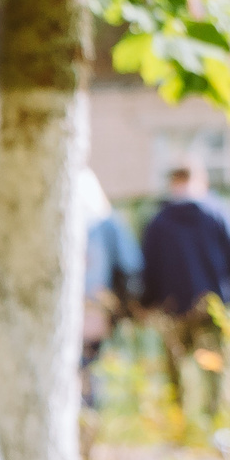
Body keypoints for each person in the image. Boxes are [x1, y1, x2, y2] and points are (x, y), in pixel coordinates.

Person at [140, 162, 230, 418]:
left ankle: (179, 421)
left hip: (173, 309)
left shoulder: (158, 221)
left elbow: (149, 269)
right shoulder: (218, 213)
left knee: (175, 373)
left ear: (172, 183)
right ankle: (214, 422)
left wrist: (148, 303)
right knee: (215, 370)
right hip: (213, 306)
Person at [80, 170, 140, 410]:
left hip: (74, 311)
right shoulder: (109, 224)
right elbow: (131, 266)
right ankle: (90, 414)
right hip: (97, 310)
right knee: (93, 368)